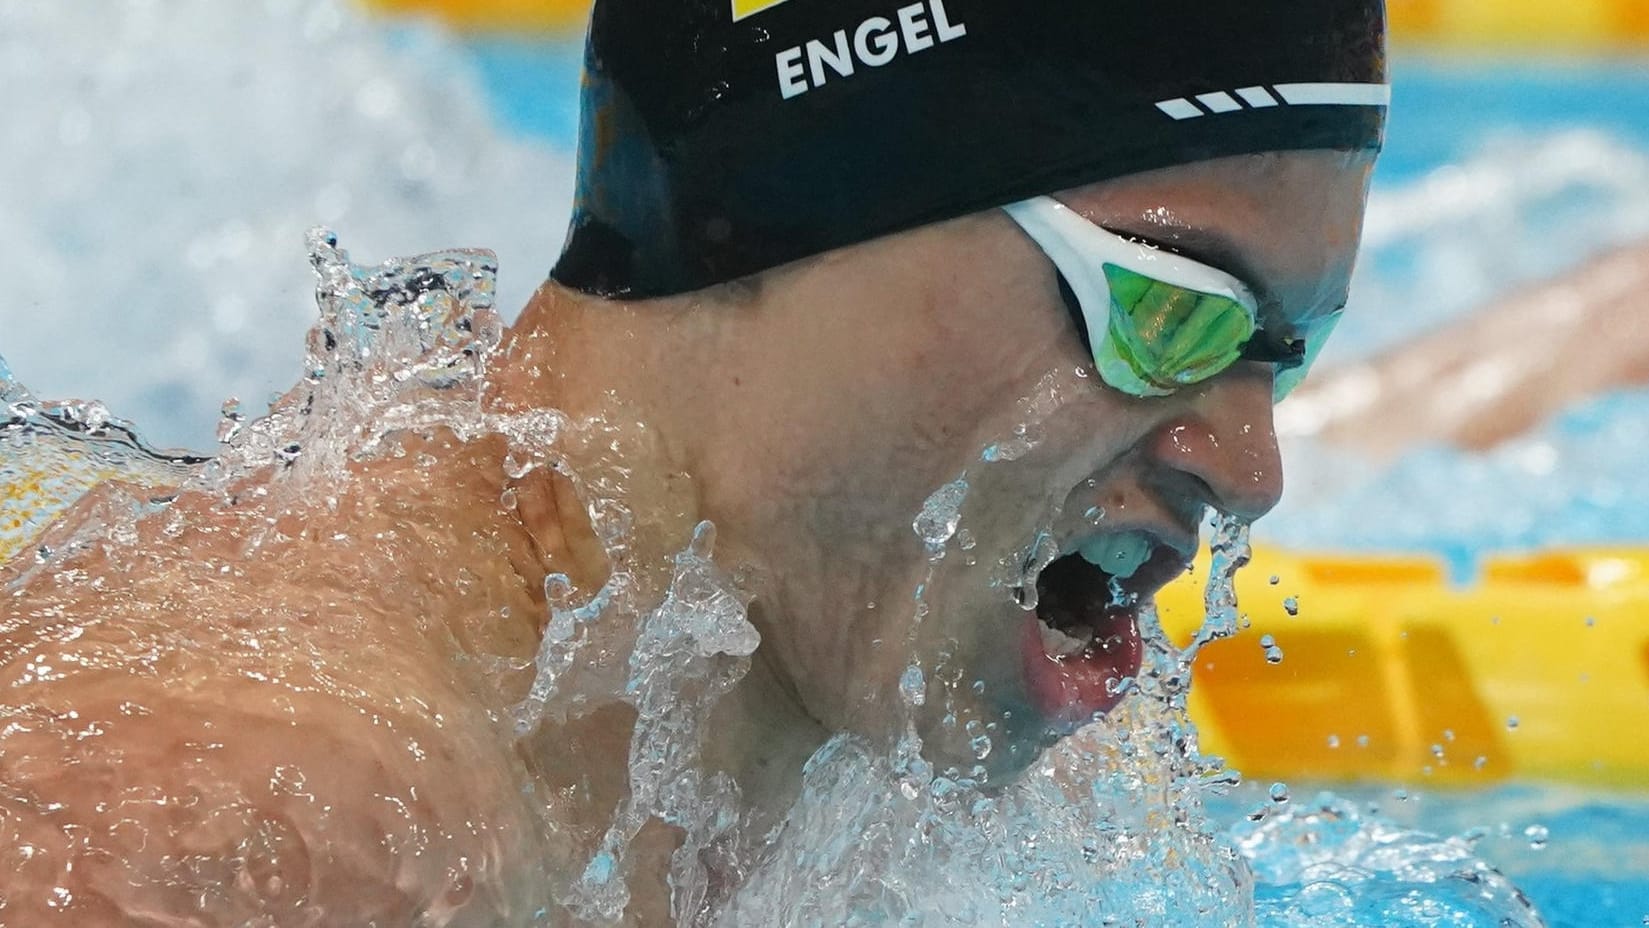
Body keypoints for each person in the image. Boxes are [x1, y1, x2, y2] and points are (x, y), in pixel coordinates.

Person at [0, 0, 1387, 923]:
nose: (1250, 466)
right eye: (1166, 312)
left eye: (1282, 350)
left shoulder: (888, 760)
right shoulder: (242, 817)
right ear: (795, 207)